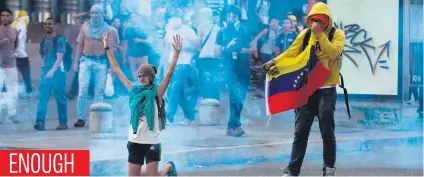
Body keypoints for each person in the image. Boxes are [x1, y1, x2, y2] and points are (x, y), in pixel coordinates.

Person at [262, 2, 345, 176]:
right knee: (300, 132)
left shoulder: (337, 34)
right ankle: (293, 170)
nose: (317, 24)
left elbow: (333, 53)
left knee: (327, 132)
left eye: (321, 21)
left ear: (327, 21)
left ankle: (329, 168)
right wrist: (273, 63)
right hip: (308, 89)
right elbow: (291, 52)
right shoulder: (306, 34)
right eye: (313, 20)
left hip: (327, 91)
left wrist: (320, 36)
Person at [102, 32, 181, 176]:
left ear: (151, 77)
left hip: (152, 141)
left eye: (144, 75)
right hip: (135, 141)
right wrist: (108, 49)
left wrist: (176, 53)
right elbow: (117, 70)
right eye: (139, 75)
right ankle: (166, 168)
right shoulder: (133, 90)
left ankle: (167, 167)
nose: (141, 78)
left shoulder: (158, 91)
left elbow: (169, 74)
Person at [72, 4, 118, 128]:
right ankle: (81, 117)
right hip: (85, 60)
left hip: (101, 62)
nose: (94, 15)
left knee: (98, 92)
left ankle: (96, 119)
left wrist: (112, 66)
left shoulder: (110, 30)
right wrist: (76, 61)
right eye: (92, 13)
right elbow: (80, 45)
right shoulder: (85, 27)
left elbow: (110, 49)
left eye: (97, 13)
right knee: (82, 90)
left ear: (102, 14)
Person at [215, 5, 253, 137]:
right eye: (229, 15)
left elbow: (252, 49)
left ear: (238, 17)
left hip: (243, 68)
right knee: (235, 97)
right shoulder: (221, 32)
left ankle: (234, 126)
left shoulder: (244, 30)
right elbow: (216, 52)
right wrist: (227, 48)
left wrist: (239, 49)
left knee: (240, 97)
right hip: (229, 69)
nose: (231, 18)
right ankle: (233, 126)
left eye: (234, 15)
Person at [34, 17, 68, 130]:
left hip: (57, 72)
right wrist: (44, 69)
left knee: (60, 98)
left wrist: (52, 71)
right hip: (46, 72)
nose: (47, 26)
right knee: (42, 98)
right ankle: (40, 122)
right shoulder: (43, 40)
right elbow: (43, 56)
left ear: (55, 26)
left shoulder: (59, 40)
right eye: (45, 24)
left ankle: (63, 123)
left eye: (50, 24)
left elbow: (59, 58)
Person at [0, 8, 19, 124]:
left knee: (13, 90)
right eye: (3, 16)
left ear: (11, 17)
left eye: (7, 16)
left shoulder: (15, 31)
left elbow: (16, 44)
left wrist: (15, 52)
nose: (5, 18)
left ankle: (12, 114)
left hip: (11, 64)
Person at [12, 10, 33, 97]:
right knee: (26, 73)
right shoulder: (22, 24)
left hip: (11, 55)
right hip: (21, 55)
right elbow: (18, 37)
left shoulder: (14, 24)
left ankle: (5, 92)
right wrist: (16, 49)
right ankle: (29, 92)